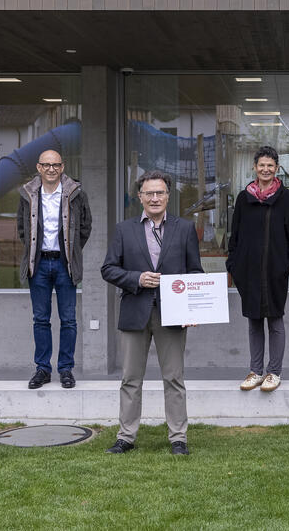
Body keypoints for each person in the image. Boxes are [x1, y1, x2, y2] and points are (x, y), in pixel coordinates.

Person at [101, 170, 202, 455]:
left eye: (160, 193)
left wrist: (192, 308)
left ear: (168, 196)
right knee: (130, 378)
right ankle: (126, 437)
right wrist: (136, 279)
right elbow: (108, 269)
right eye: (149, 193)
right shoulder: (124, 229)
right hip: (135, 311)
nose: (155, 198)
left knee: (174, 378)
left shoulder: (184, 229)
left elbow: (195, 272)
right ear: (140, 197)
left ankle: (178, 438)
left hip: (173, 314)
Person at [227, 146, 289, 392]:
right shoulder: (243, 198)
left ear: (277, 168)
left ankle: (274, 372)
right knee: (254, 321)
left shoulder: (286, 198)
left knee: (275, 320)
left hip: (275, 271)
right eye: (262, 165)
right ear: (254, 167)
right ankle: (255, 371)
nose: (266, 169)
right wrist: (234, 264)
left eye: (271, 165)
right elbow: (235, 235)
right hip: (248, 271)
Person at [17, 149, 92, 389]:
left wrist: (72, 251)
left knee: (69, 319)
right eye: (46, 165)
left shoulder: (75, 192)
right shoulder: (28, 193)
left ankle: (66, 369)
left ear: (63, 167)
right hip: (38, 263)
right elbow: (22, 228)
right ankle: (42, 369)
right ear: (38, 167)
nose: (51, 169)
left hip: (64, 263)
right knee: (40, 319)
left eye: (56, 165)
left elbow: (85, 227)